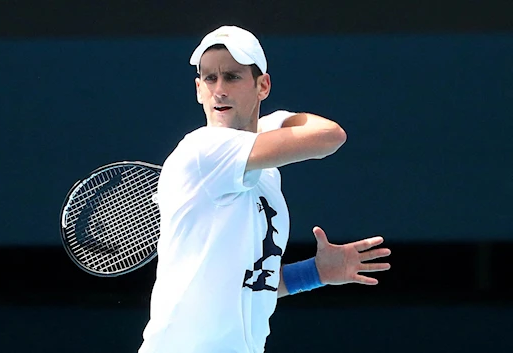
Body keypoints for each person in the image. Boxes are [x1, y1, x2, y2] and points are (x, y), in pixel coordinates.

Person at [138, 25, 391, 353]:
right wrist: (273, 122)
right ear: (199, 89)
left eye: (232, 77)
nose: (219, 90)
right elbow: (330, 136)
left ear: (263, 85)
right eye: (210, 79)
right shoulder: (204, 149)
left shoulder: (265, 173)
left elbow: (251, 285)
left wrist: (315, 272)